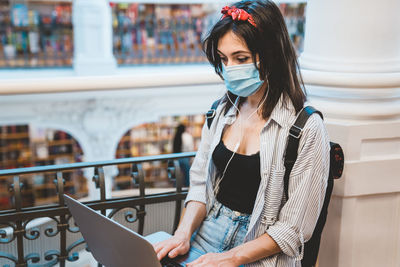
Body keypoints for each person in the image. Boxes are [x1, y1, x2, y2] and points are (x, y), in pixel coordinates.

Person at [154, 1, 330, 266]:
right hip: (206, 232)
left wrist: (231, 258)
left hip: (259, 250)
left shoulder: (306, 127)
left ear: (271, 54)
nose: (230, 69)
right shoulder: (220, 112)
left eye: (241, 58)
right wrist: (182, 234)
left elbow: (294, 228)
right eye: (223, 59)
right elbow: (201, 183)